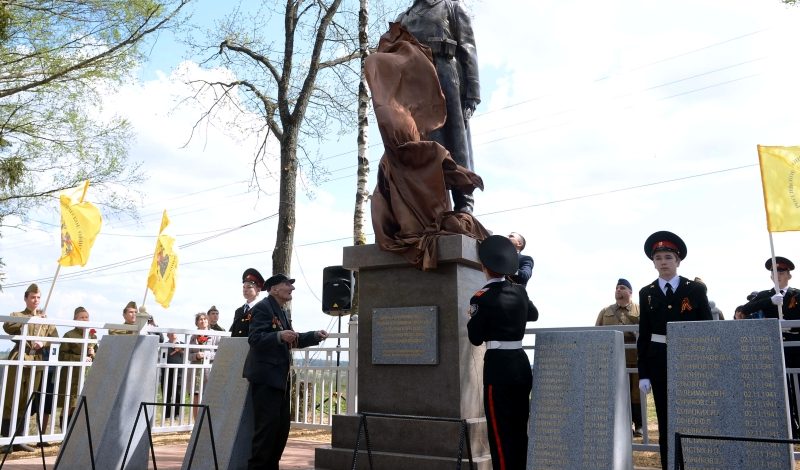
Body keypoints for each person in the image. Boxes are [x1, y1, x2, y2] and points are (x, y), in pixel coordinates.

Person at [637, 231, 711, 469]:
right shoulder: (646, 293)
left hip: (690, 359)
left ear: (678, 261)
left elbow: (707, 329)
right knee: (665, 417)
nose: (663, 262)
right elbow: (644, 335)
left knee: (693, 415)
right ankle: (670, 464)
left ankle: (696, 462)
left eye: (668, 257)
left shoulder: (695, 290)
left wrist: (706, 363)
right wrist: (644, 373)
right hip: (659, 360)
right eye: (658, 258)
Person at [397, 0, 480, 213]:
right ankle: (432, 204)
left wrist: (472, 93)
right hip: (415, 84)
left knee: (455, 141)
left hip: (446, 76)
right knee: (424, 143)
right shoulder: (404, 17)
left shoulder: (451, 7)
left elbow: (468, 49)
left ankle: (464, 203)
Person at [466, 235, 538, 470]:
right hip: (520, 365)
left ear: (484, 267)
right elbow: (533, 314)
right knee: (519, 429)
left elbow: (475, 338)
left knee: (499, 433)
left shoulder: (481, 298)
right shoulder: (520, 292)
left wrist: (473, 317)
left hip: (498, 370)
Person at [243, 273, 328, 470]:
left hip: (279, 380)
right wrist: (279, 336)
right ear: (273, 289)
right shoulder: (262, 308)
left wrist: (314, 336)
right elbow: (255, 339)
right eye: (287, 284)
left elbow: (293, 338)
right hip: (266, 379)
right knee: (266, 433)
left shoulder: (281, 311)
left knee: (280, 431)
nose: (292, 288)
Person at [740, 256, 800, 437]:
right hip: (772, 348)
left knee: (798, 387)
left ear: (789, 275)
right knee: (780, 389)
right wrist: (770, 302)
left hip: (794, 348)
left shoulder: (797, 294)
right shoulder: (765, 295)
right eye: (774, 272)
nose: (778, 275)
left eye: (781, 272)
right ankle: (790, 428)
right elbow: (745, 309)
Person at [2, 283, 59, 452]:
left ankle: (19, 439)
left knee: (27, 400)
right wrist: (30, 320)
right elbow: (7, 326)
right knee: (12, 399)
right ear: (26, 298)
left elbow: (55, 337)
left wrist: (43, 341)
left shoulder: (45, 320)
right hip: (19, 357)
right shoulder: (17, 315)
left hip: (37, 361)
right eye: (32, 297)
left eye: (38, 297)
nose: (36, 300)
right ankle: (7, 440)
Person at [594, 278, 642, 437]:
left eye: (622, 288)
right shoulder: (605, 311)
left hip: (635, 358)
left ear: (630, 292)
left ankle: (640, 425)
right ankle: (624, 425)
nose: (618, 290)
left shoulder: (639, 310)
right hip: (614, 359)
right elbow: (597, 333)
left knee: (637, 393)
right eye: (616, 288)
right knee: (620, 393)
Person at [58, 306, 97, 427]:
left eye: (86, 317)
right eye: (82, 317)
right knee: (69, 404)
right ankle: (65, 432)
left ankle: (74, 433)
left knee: (81, 404)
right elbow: (62, 355)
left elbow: (97, 358)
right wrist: (79, 358)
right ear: (75, 319)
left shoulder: (92, 337)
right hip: (71, 375)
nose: (85, 320)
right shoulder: (69, 335)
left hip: (86, 375)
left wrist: (93, 353)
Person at [189, 312, 220, 419]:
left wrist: (207, 355)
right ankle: (196, 422)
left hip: (209, 371)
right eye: (200, 319)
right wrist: (196, 356)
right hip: (195, 371)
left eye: (205, 319)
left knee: (209, 396)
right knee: (196, 396)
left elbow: (219, 352)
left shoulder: (215, 335)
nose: (203, 321)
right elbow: (188, 355)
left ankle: (207, 421)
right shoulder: (193, 337)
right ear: (197, 323)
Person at [230, 268, 266, 338]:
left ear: (258, 289)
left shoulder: (262, 309)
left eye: (249, 287)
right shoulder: (238, 311)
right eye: (244, 287)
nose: (245, 290)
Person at [162, 332, 185, 420]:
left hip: (179, 372)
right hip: (166, 372)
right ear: (167, 335)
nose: (173, 334)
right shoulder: (164, 345)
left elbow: (188, 356)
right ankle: (166, 415)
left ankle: (177, 414)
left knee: (178, 393)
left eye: (174, 332)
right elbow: (162, 356)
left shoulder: (183, 345)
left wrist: (181, 350)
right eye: (170, 333)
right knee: (166, 393)